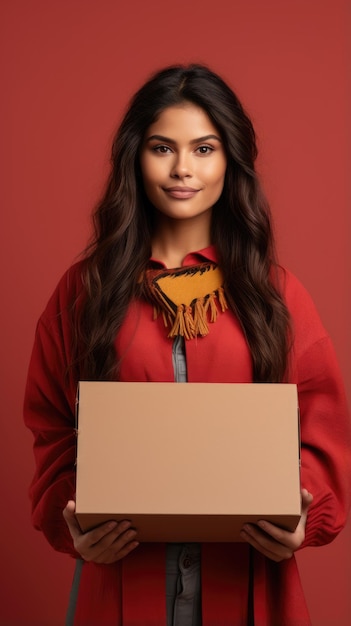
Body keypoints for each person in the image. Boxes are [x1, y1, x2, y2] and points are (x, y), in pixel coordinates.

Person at [23, 64, 351, 626]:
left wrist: (302, 514)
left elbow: (324, 430)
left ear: (232, 160)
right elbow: (52, 427)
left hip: (247, 578)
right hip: (122, 579)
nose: (182, 169)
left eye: (204, 148)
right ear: (135, 156)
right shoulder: (85, 292)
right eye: (161, 147)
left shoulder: (274, 296)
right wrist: (76, 521)